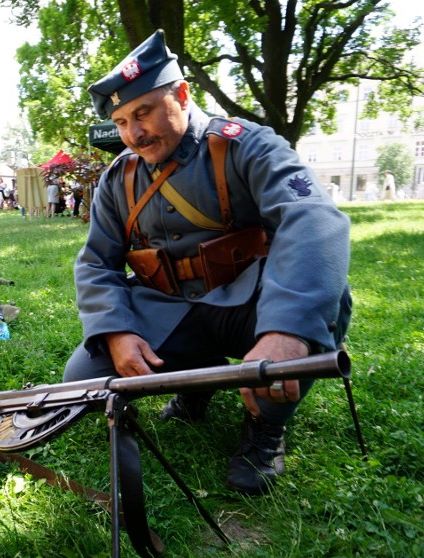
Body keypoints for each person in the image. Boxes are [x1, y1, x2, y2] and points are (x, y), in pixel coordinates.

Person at [62, 30, 351, 496]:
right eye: (120, 122)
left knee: (320, 311)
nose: (133, 134)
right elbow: (96, 263)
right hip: (173, 308)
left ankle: (265, 428)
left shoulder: (247, 145)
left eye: (143, 112)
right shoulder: (120, 178)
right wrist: (116, 331)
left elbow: (311, 219)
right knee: (84, 378)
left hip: (250, 305)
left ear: (181, 94)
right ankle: (197, 377)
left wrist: (286, 331)